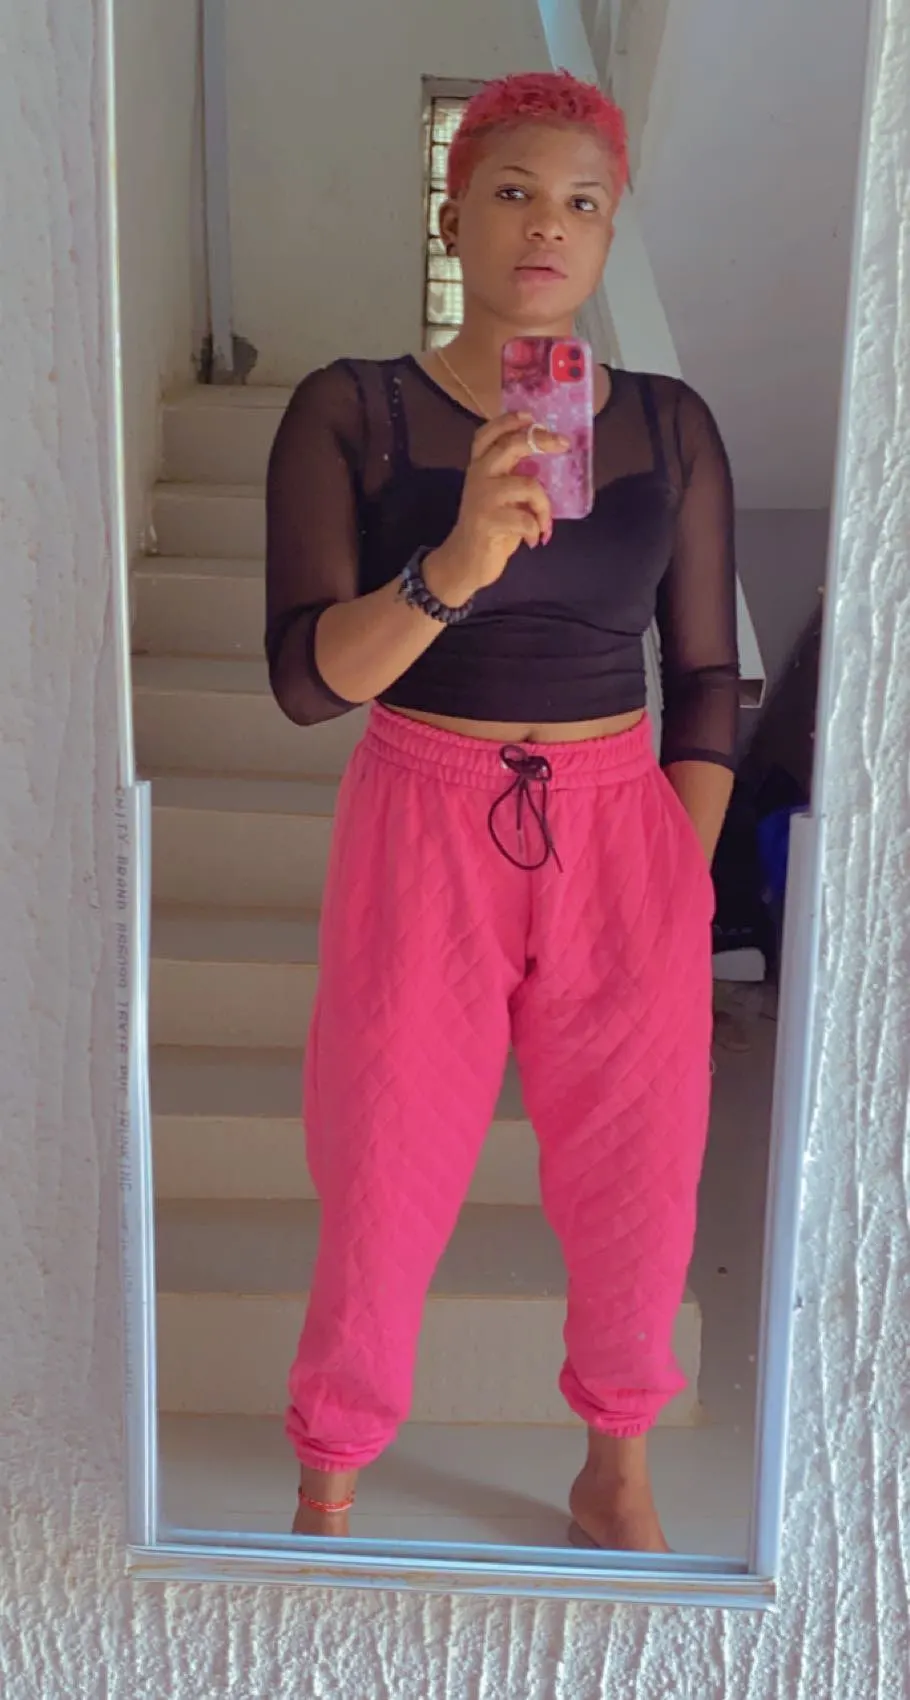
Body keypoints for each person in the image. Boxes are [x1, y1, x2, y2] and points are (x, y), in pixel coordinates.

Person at [265, 71, 738, 1553]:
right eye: (515, 191)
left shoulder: (667, 424)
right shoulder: (351, 409)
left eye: (582, 203)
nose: (547, 225)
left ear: (608, 237)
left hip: (620, 820)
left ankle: (617, 1464)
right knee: (383, 1158)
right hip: (424, 810)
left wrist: (675, 875)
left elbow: (704, 674)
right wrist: (454, 566)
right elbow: (304, 680)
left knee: (640, 1169)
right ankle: (330, 1474)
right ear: (454, 211)